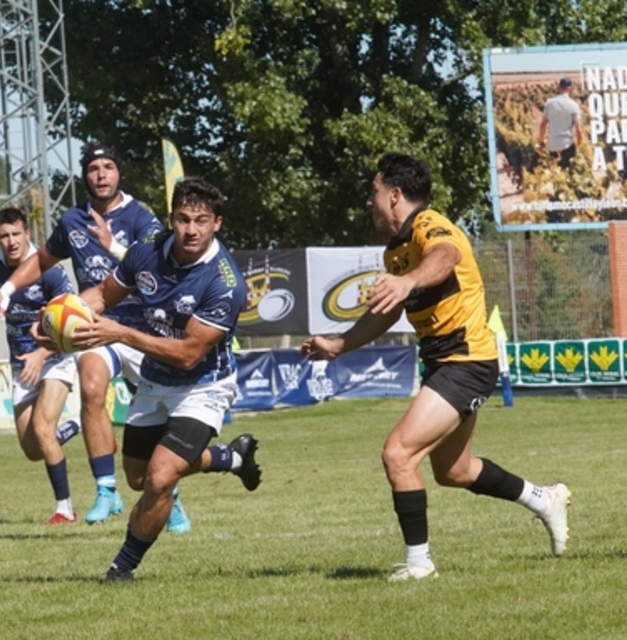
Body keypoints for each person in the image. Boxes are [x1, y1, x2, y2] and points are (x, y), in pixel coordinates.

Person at [300, 153, 570, 582]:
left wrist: (408, 281)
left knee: (398, 454)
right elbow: (386, 313)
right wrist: (338, 344)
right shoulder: (396, 249)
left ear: (395, 194)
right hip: (445, 362)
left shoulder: (431, 226)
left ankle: (419, 563)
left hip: (466, 360)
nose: (368, 203)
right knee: (454, 471)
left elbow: (445, 256)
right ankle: (544, 498)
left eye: (373, 193)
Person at [0, 141, 193, 533]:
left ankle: (170, 496)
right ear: (86, 176)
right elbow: (40, 260)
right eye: (94, 168)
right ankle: (105, 490)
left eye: (108, 167)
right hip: (98, 325)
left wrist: (111, 245)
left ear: (118, 174)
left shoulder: (142, 217)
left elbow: (156, 265)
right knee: (92, 388)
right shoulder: (73, 220)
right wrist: (5, 292)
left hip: (144, 329)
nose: (101, 175)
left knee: (157, 428)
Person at [57, 177, 260, 582]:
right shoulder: (145, 253)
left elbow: (188, 355)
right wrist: (59, 316)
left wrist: (121, 334)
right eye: (183, 219)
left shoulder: (224, 282)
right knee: (138, 479)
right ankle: (230, 457)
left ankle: (122, 567)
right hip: (154, 383)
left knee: (161, 477)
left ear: (217, 223)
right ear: (171, 219)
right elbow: (102, 295)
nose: (191, 229)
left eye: (201, 221)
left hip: (203, 386)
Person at [0, 207, 83, 524]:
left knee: (42, 429)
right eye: (3, 236)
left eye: (16, 234)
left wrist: (41, 352)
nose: (10, 242)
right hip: (20, 364)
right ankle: (75, 426)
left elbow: (72, 318)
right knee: (32, 449)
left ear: (27, 234)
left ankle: (64, 509)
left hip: (54, 357)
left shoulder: (47, 268)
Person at [538, 77, 583, 170]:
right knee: (568, 177)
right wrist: (580, 146)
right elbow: (578, 129)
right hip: (567, 145)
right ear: (570, 88)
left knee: (554, 174)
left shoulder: (549, 103)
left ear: (559, 88)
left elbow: (543, 125)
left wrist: (541, 143)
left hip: (552, 145)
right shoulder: (573, 105)